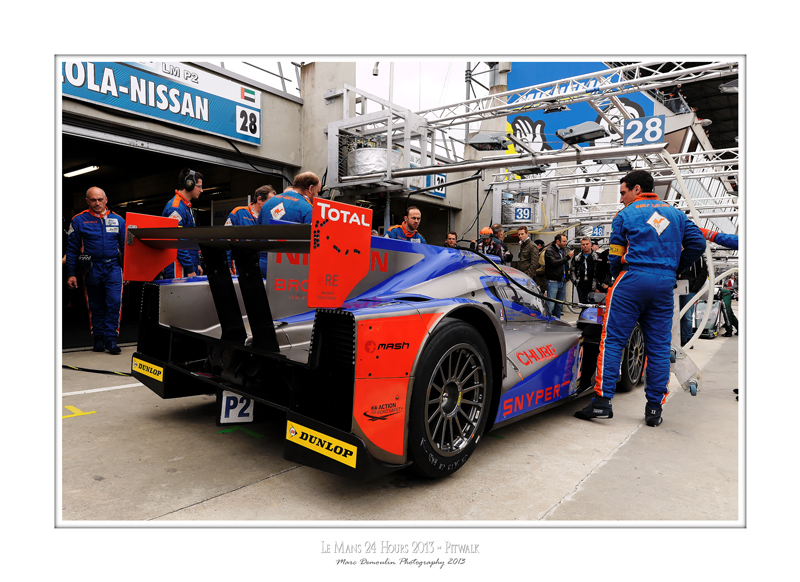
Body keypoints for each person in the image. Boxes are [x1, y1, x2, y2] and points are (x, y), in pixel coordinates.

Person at [574, 170, 706, 427]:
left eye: (623, 192)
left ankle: (602, 402)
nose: (621, 199)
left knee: (612, 341)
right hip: (664, 284)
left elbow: (614, 253)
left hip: (632, 279)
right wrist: (675, 268)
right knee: (658, 347)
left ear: (636, 189)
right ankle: (654, 410)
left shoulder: (625, 215)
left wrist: (616, 274)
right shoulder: (677, 214)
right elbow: (698, 244)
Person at [65, 187, 126, 354]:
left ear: (106, 200)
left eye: (100, 199)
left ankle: (111, 339)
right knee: (95, 304)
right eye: (93, 200)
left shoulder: (119, 220)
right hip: (91, 268)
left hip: (114, 266)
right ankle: (98, 338)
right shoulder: (78, 220)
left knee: (114, 302)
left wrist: (127, 270)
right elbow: (71, 250)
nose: (97, 203)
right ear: (87, 201)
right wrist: (71, 273)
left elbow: (126, 247)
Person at [162, 168, 203, 278]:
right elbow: (178, 242)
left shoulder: (185, 206)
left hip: (188, 263)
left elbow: (190, 239)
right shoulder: (176, 208)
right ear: (189, 184)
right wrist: (190, 269)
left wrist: (197, 264)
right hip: (179, 267)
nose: (201, 190)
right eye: (200, 186)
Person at [225, 185, 275, 276]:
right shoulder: (238, 213)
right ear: (259, 199)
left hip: (264, 268)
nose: (273, 205)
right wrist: (227, 265)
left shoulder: (272, 217)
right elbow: (226, 240)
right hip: (241, 266)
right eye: (271, 202)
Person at [677, 254, 709, 346]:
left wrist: (695, 287)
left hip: (690, 289)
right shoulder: (677, 254)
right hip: (677, 288)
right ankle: (679, 338)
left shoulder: (697, 256)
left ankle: (687, 339)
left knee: (687, 316)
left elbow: (703, 273)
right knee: (677, 315)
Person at [544, 234, 573, 317]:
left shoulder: (562, 250)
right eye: (564, 241)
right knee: (551, 305)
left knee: (559, 305)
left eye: (566, 241)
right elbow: (554, 263)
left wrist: (567, 276)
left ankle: (557, 322)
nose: (565, 243)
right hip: (553, 281)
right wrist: (567, 257)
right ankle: (548, 323)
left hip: (562, 281)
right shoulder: (550, 250)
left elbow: (565, 265)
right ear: (557, 241)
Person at [570, 236, 604, 303]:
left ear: (590, 244)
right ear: (581, 245)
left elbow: (602, 271)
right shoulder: (577, 257)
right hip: (581, 285)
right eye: (583, 244)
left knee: (592, 306)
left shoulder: (597, 257)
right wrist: (576, 282)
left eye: (587, 244)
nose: (585, 246)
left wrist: (599, 286)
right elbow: (572, 270)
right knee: (583, 305)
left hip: (593, 285)